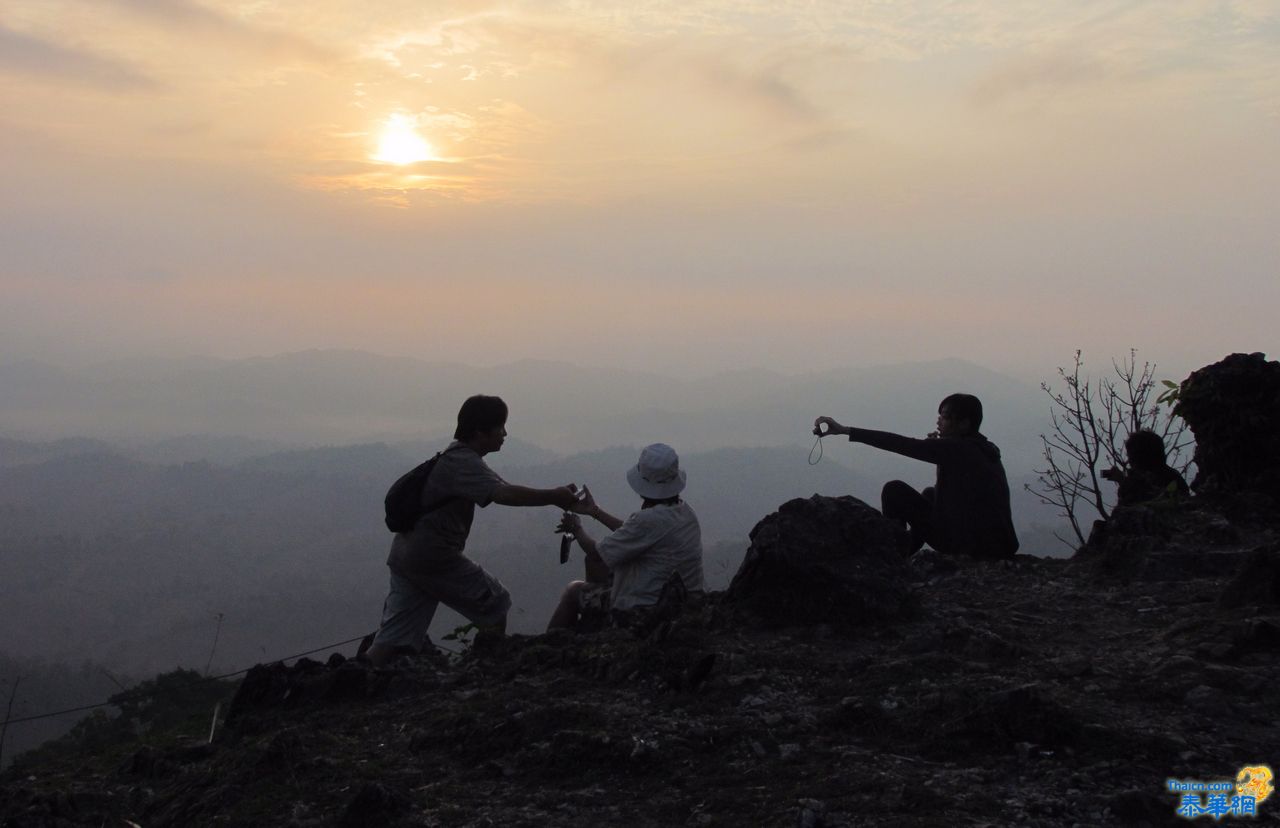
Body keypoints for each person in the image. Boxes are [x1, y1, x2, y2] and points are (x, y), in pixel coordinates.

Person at [364, 395, 587, 667]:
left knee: (393, 636)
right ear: (480, 432)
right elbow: (503, 493)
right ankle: (486, 670)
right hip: (432, 556)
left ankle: (356, 682)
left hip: (405, 554)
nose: (505, 433)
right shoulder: (463, 463)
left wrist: (555, 493)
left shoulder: (458, 456)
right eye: (500, 427)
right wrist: (553, 496)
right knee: (496, 603)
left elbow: (499, 484)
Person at [813, 393, 1019, 560]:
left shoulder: (958, 448)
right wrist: (940, 451)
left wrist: (846, 431)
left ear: (964, 424)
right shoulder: (982, 448)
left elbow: (900, 444)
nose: (939, 420)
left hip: (973, 547)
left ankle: (891, 557)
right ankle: (904, 552)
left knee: (894, 491)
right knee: (930, 494)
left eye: (946, 417)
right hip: (999, 544)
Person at [547, 443, 704, 631]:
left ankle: (549, 646)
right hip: (685, 605)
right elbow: (633, 533)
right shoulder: (685, 512)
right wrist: (595, 511)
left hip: (645, 613)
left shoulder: (648, 519)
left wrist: (577, 529)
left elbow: (598, 554)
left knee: (573, 591)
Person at [1101, 429, 1189, 506]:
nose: (1129, 461)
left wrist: (1124, 483)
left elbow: (1139, 504)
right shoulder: (1171, 476)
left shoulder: (1159, 479)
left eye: (1130, 456)